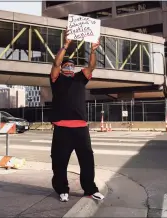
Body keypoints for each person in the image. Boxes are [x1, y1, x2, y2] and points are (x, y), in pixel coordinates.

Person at [49, 28, 105, 202]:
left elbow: (92, 66)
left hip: (81, 128)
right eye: (67, 65)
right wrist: (66, 45)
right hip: (62, 129)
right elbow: (55, 64)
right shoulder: (57, 79)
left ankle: (90, 189)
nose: (69, 66)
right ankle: (62, 189)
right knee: (59, 161)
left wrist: (94, 50)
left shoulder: (81, 78)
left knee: (87, 160)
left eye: (72, 65)